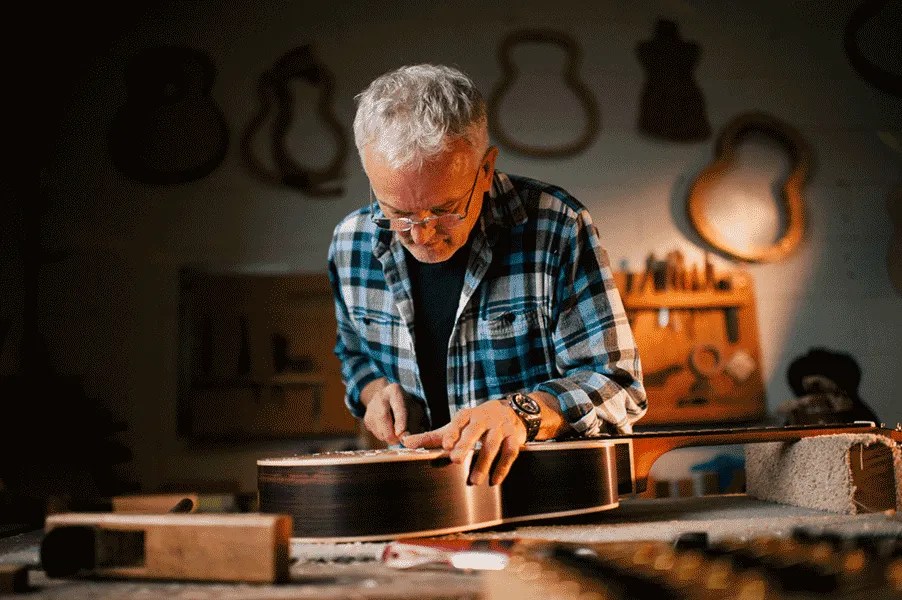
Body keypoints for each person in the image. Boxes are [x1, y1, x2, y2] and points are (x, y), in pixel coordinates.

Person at [327, 64, 646, 486]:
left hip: (544, 496)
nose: (421, 234)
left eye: (444, 209)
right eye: (397, 213)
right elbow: (355, 360)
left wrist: (522, 412)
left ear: (486, 169)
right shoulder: (351, 245)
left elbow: (617, 384)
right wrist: (375, 393)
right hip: (423, 499)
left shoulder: (556, 227)